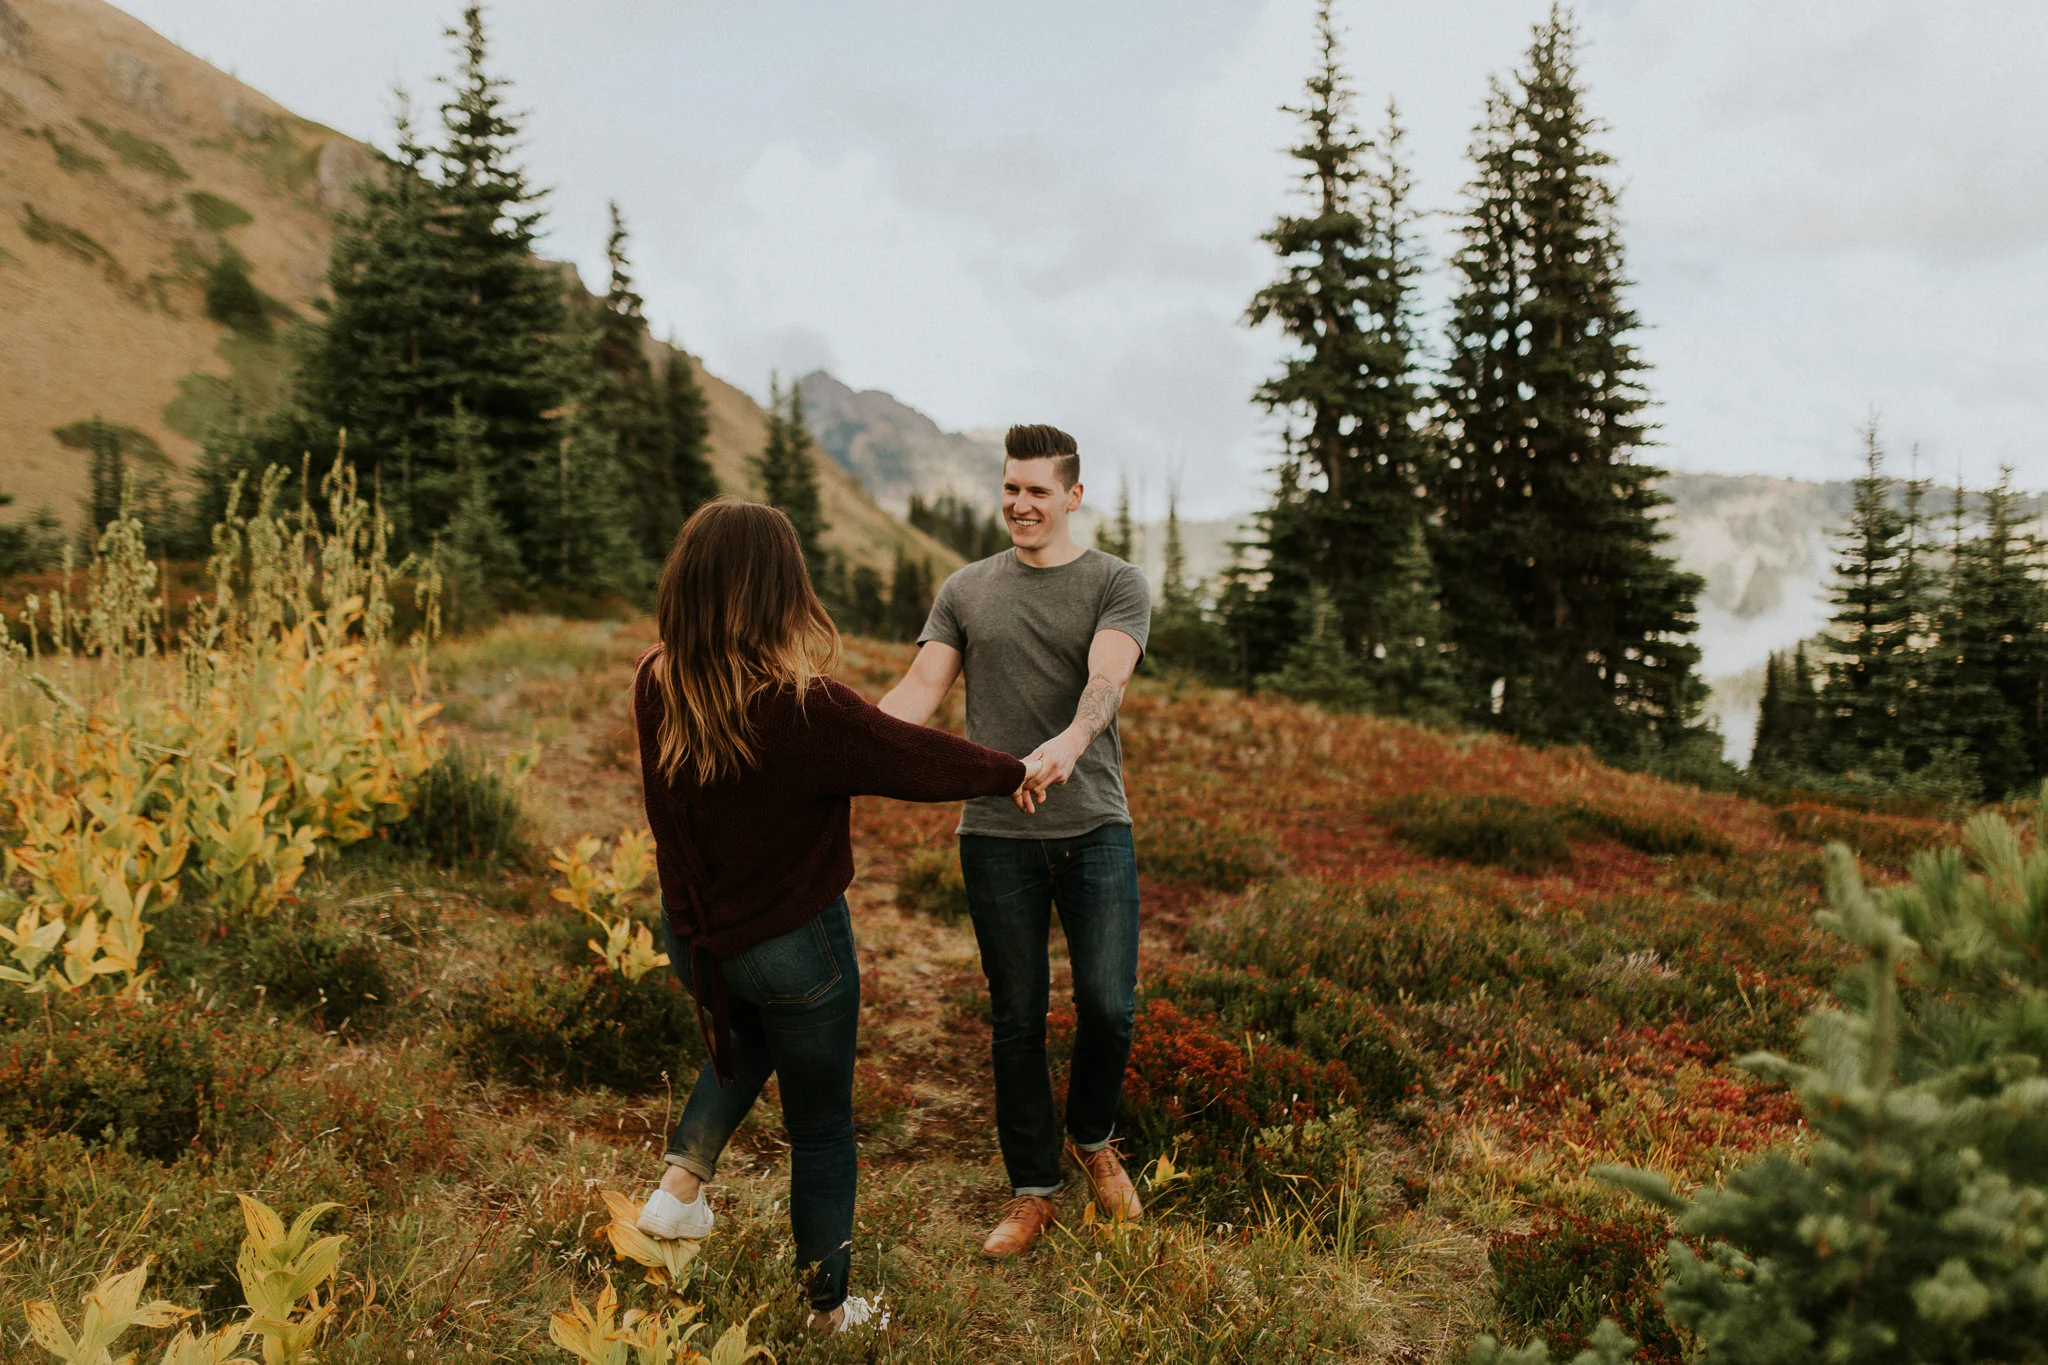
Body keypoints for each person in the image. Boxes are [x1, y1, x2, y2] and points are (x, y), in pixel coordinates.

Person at [630, 500, 1040, 1331]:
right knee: (821, 1127)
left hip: (697, 935)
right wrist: (1014, 770)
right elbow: (912, 755)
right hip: (794, 950)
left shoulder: (655, 678)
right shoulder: (803, 706)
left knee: (746, 1041)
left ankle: (677, 1191)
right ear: (779, 591)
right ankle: (826, 1306)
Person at [879, 423, 1151, 1257]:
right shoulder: (966, 589)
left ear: (1072, 495)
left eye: (1038, 490)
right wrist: (843, 742)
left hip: (1095, 821)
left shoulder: (1116, 582)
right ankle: (1033, 1188)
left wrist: (1068, 745)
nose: (1021, 504)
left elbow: (1106, 680)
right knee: (1016, 1017)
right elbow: (922, 686)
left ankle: (1093, 1136)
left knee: (1108, 1004)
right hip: (995, 833)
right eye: (1010, 487)